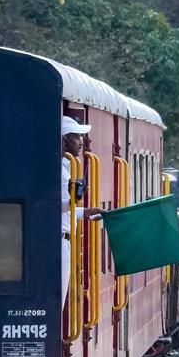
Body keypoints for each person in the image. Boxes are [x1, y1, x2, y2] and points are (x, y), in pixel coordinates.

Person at [62, 115, 104, 306]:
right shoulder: (60, 169)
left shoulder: (67, 167)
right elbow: (53, 206)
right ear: (64, 139)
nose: (81, 143)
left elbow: (64, 210)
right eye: (77, 137)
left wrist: (85, 212)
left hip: (65, 239)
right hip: (59, 240)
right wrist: (73, 201)